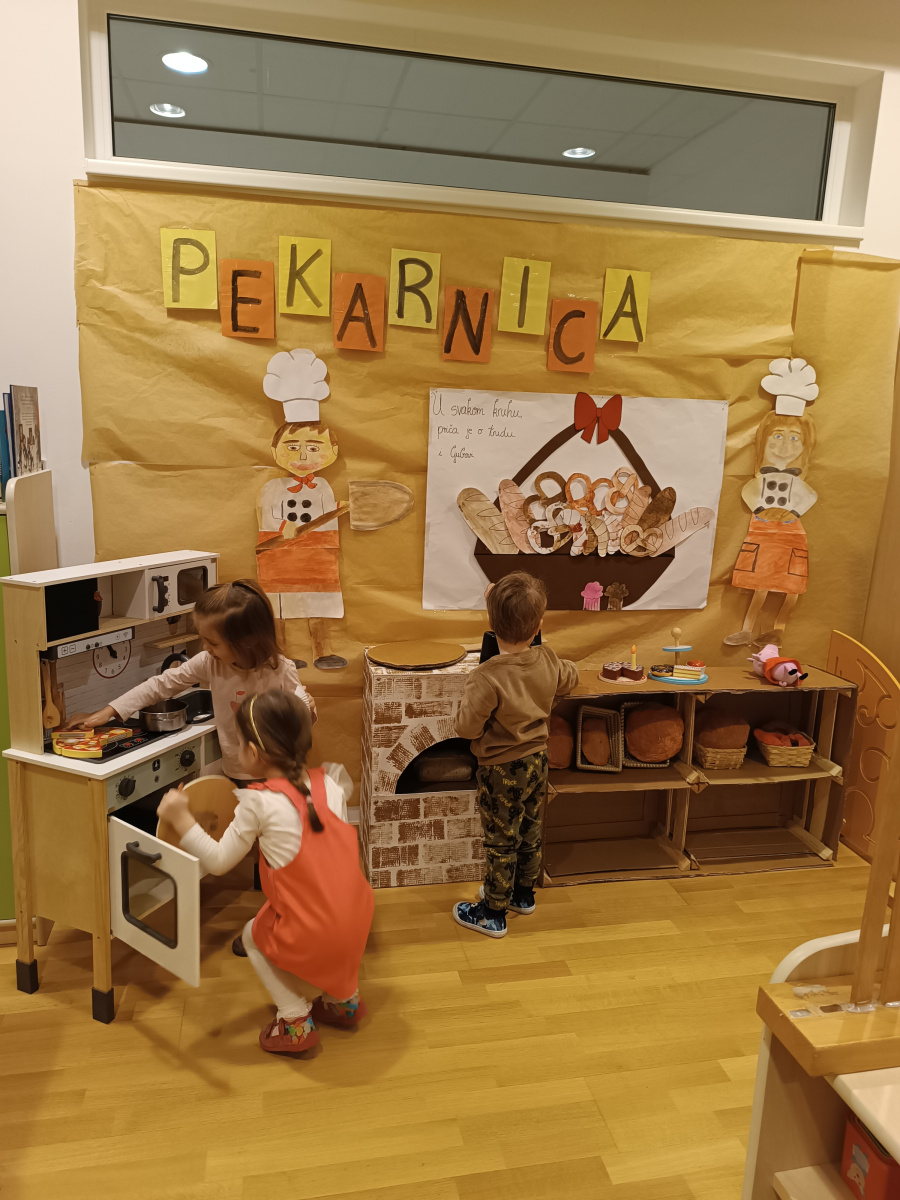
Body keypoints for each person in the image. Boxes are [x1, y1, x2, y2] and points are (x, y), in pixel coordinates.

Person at [157, 691, 374, 1054]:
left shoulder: (258, 802)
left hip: (315, 928)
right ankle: (343, 1000)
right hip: (357, 915)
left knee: (253, 936)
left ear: (253, 753)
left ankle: (294, 1019)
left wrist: (181, 819)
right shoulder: (330, 784)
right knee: (320, 925)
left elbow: (218, 862)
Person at [67, 578, 316, 783]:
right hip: (234, 772)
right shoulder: (211, 662)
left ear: (247, 641)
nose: (205, 648)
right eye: (203, 639)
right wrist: (108, 711)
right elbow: (161, 684)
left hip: (278, 776)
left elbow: (301, 727)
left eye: (213, 642)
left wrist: (308, 712)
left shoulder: (281, 670)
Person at [453, 572, 579, 938]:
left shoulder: (486, 676)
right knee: (529, 829)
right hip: (537, 761)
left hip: (500, 769)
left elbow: (466, 728)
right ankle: (523, 894)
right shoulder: (548, 659)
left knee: (500, 838)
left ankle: (493, 911)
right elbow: (569, 677)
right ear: (539, 626)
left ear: (491, 626)